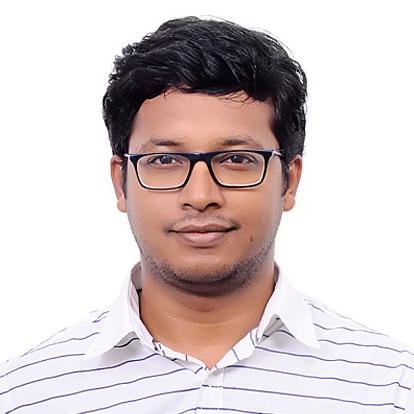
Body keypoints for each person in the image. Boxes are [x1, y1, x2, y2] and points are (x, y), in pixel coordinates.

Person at [1, 15, 413, 414]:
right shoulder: (26, 395)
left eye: (237, 158)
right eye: (165, 160)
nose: (200, 196)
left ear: (289, 181)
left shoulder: (392, 389)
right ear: (121, 183)